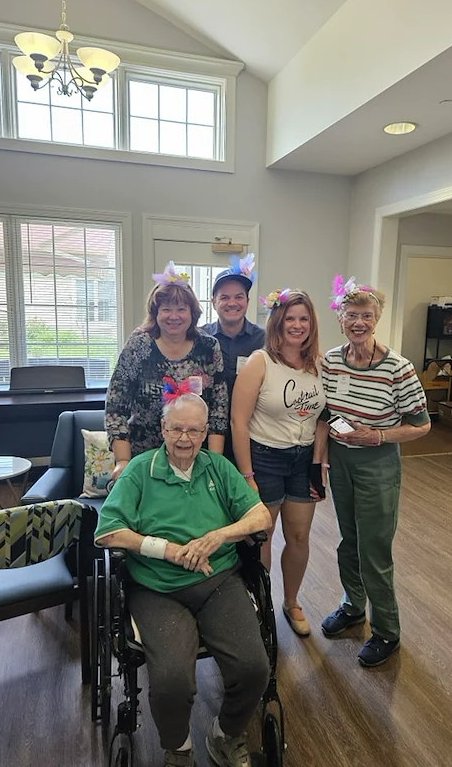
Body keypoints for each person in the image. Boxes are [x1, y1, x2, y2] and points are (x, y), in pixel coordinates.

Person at [95, 391, 272, 767]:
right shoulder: (140, 470)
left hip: (219, 580)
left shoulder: (219, 468)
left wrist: (218, 536)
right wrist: (169, 550)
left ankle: (225, 734)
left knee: (254, 667)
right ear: (163, 428)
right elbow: (107, 533)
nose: (185, 438)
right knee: (173, 681)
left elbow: (261, 518)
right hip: (157, 588)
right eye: (177, 429)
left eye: (194, 430)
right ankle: (178, 748)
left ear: (206, 431)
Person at [316, 276, 430, 667]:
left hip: (378, 464)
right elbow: (326, 413)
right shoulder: (331, 361)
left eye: (366, 314)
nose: (359, 322)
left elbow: (422, 425)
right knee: (348, 542)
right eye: (352, 315)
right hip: (342, 460)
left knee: (374, 549)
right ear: (341, 319)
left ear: (377, 318)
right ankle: (352, 607)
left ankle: (387, 631)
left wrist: (379, 435)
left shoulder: (398, 368)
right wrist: (326, 456)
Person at [231, 289, 326, 637]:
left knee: (299, 535)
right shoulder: (261, 361)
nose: (297, 325)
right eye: (290, 318)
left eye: (303, 319)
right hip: (265, 458)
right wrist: (248, 475)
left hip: (303, 461)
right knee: (263, 537)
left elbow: (322, 419)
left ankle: (291, 601)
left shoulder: (319, 365)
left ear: (311, 324)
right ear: (278, 322)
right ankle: (262, 606)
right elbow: (238, 422)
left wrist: (320, 463)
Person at [105, 262, 228, 480]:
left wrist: (214, 462)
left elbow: (218, 409)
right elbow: (116, 406)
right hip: (144, 457)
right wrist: (123, 461)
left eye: (181, 309)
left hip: (194, 456)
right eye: (166, 309)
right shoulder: (139, 345)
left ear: (192, 313)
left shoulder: (208, 347)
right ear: (155, 313)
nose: (174, 316)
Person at [202, 254, 265, 463]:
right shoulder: (200, 339)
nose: (232, 303)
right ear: (214, 302)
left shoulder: (265, 340)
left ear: (247, 301)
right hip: (206, 436)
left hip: (253, 437)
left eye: (239, 297)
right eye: (224, 297)